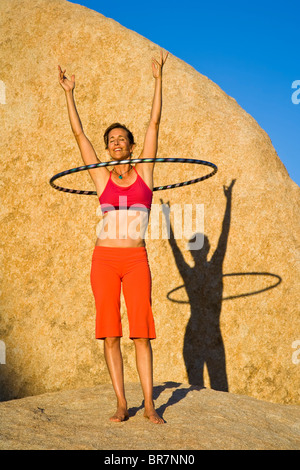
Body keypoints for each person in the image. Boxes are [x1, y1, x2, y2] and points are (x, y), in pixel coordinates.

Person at [58, 50, 168, 424]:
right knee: (110, 333)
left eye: (122, 138)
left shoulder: (146, 174)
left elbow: (154, 123)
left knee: (141, 333)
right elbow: (78, 134)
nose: (116, 142)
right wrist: (69, 94)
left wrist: (158, 80)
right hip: (104, 260)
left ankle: (150, 405)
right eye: (112, 140)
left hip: (136, 260)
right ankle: (122, 403)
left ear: (132, 145)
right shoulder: (101, 178)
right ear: (107, 148)